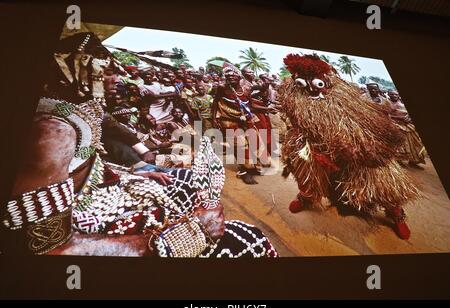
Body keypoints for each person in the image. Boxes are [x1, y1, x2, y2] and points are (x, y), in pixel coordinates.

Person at [2, 32, 278, 258]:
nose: (118, 80)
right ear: (74, 69)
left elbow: (90, 162)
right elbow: (49, 248)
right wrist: (182, 237)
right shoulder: (52, 132)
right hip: (85, 215)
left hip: (107, 187)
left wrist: (135, 171)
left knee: (183, 180)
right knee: (246, 241)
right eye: (107, 72)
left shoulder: (78, 109)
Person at [279, 54, 420, 240]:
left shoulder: (343, 94)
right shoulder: (292, 94)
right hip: (313, 146)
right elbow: (295, 118)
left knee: (381, 183)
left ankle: (396, 213)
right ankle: (306, 197)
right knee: (308, 176)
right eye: (304, 82)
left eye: (316, 82)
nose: (312, 88)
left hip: (355, 150)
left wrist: (359, 147)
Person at [211, 63, 263, 184]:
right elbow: (215, 102)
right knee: (239, 146)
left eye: (233, 77)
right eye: (228, 77)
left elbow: (250, 105)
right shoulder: (222, 88)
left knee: (254, 143)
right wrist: (214, 118)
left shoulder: (247, 88)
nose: (231, 79)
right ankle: (244, 171)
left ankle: (252, 166)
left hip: (246, 119)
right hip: (229, 119)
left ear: (240, 78)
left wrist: (265, 109)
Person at [388, 90, 426, 168]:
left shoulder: (402, 103)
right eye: (392, 94)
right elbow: (387, 115)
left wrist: (408, 117)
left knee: (415, 143)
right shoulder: (387, 104)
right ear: (389, 95)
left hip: (408, 125)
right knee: (402, 144)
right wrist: (399, 118)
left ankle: (413, 161)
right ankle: (399, 161)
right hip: (396, 124)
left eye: (396, 94)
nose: (394, 96)